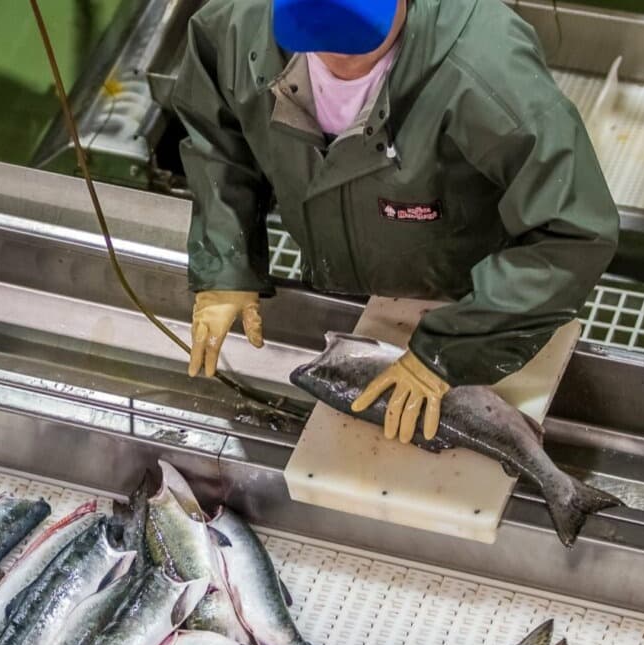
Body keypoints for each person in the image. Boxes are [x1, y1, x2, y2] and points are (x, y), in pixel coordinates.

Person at [165, 0, 618, 443]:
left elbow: (572, 230)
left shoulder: (485, 66)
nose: (340, 59)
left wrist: (453, 350)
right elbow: (217, 142)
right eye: (316, 34)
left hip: (469, 303)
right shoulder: (237, 29)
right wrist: (226, 260)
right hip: (346, 289)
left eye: (359, 39)